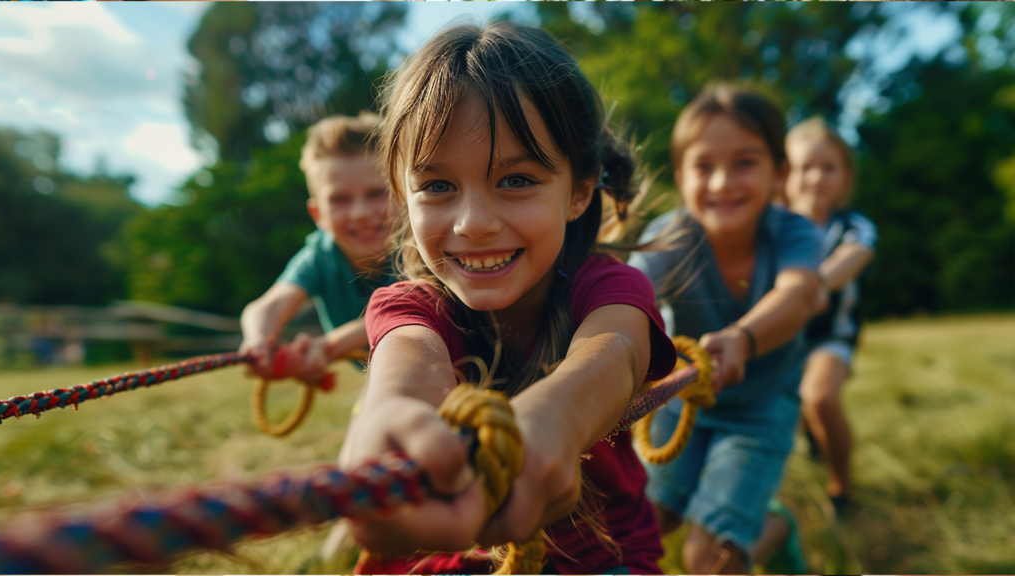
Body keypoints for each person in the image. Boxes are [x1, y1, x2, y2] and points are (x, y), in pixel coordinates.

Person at [337, 21, 679, 575]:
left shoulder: (610, 287)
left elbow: (616, 350)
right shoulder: (409, 308)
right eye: (438, 186)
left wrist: (560, 415)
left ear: (581, 190)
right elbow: (410, 363)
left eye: (516, 180)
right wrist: (392, 412)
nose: (473, 224)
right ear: (403, 195)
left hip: (600, 559)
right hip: (449, 559)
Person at [626, 83, 823, 574]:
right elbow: (626, 303)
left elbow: (797, 296)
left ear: (780, 173)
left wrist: (743, 338)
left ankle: (771, 530)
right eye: (703, 166)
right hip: (683, 398)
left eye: (744, 163)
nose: (721, 183)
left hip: (760, 408)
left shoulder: (795, 233)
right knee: (647, 519)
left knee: (707, 558)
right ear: (680, 176)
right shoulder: (669, 238)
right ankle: (754, 521)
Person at [238, 113, 393, 385]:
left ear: (402, 193)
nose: (360, 212)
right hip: (390, 377)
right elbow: (270, 305)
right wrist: (258, 339)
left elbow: (401, 311)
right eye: (340, 199)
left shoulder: (420, 247)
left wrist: (329, 345)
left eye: (376, 193)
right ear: (317, 213)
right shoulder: (320, 255)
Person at [784, 117, 876, 515]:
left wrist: (814, 285)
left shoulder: (853, 226)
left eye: (828, 167)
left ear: (846, 176)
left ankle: (842, 488)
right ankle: (808, 436)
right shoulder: (774, 226)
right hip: (783, 338)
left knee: (819, 397)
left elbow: (853, 257)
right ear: (785, 175)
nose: (816, 177)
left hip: (831, 335)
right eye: (805, 167)